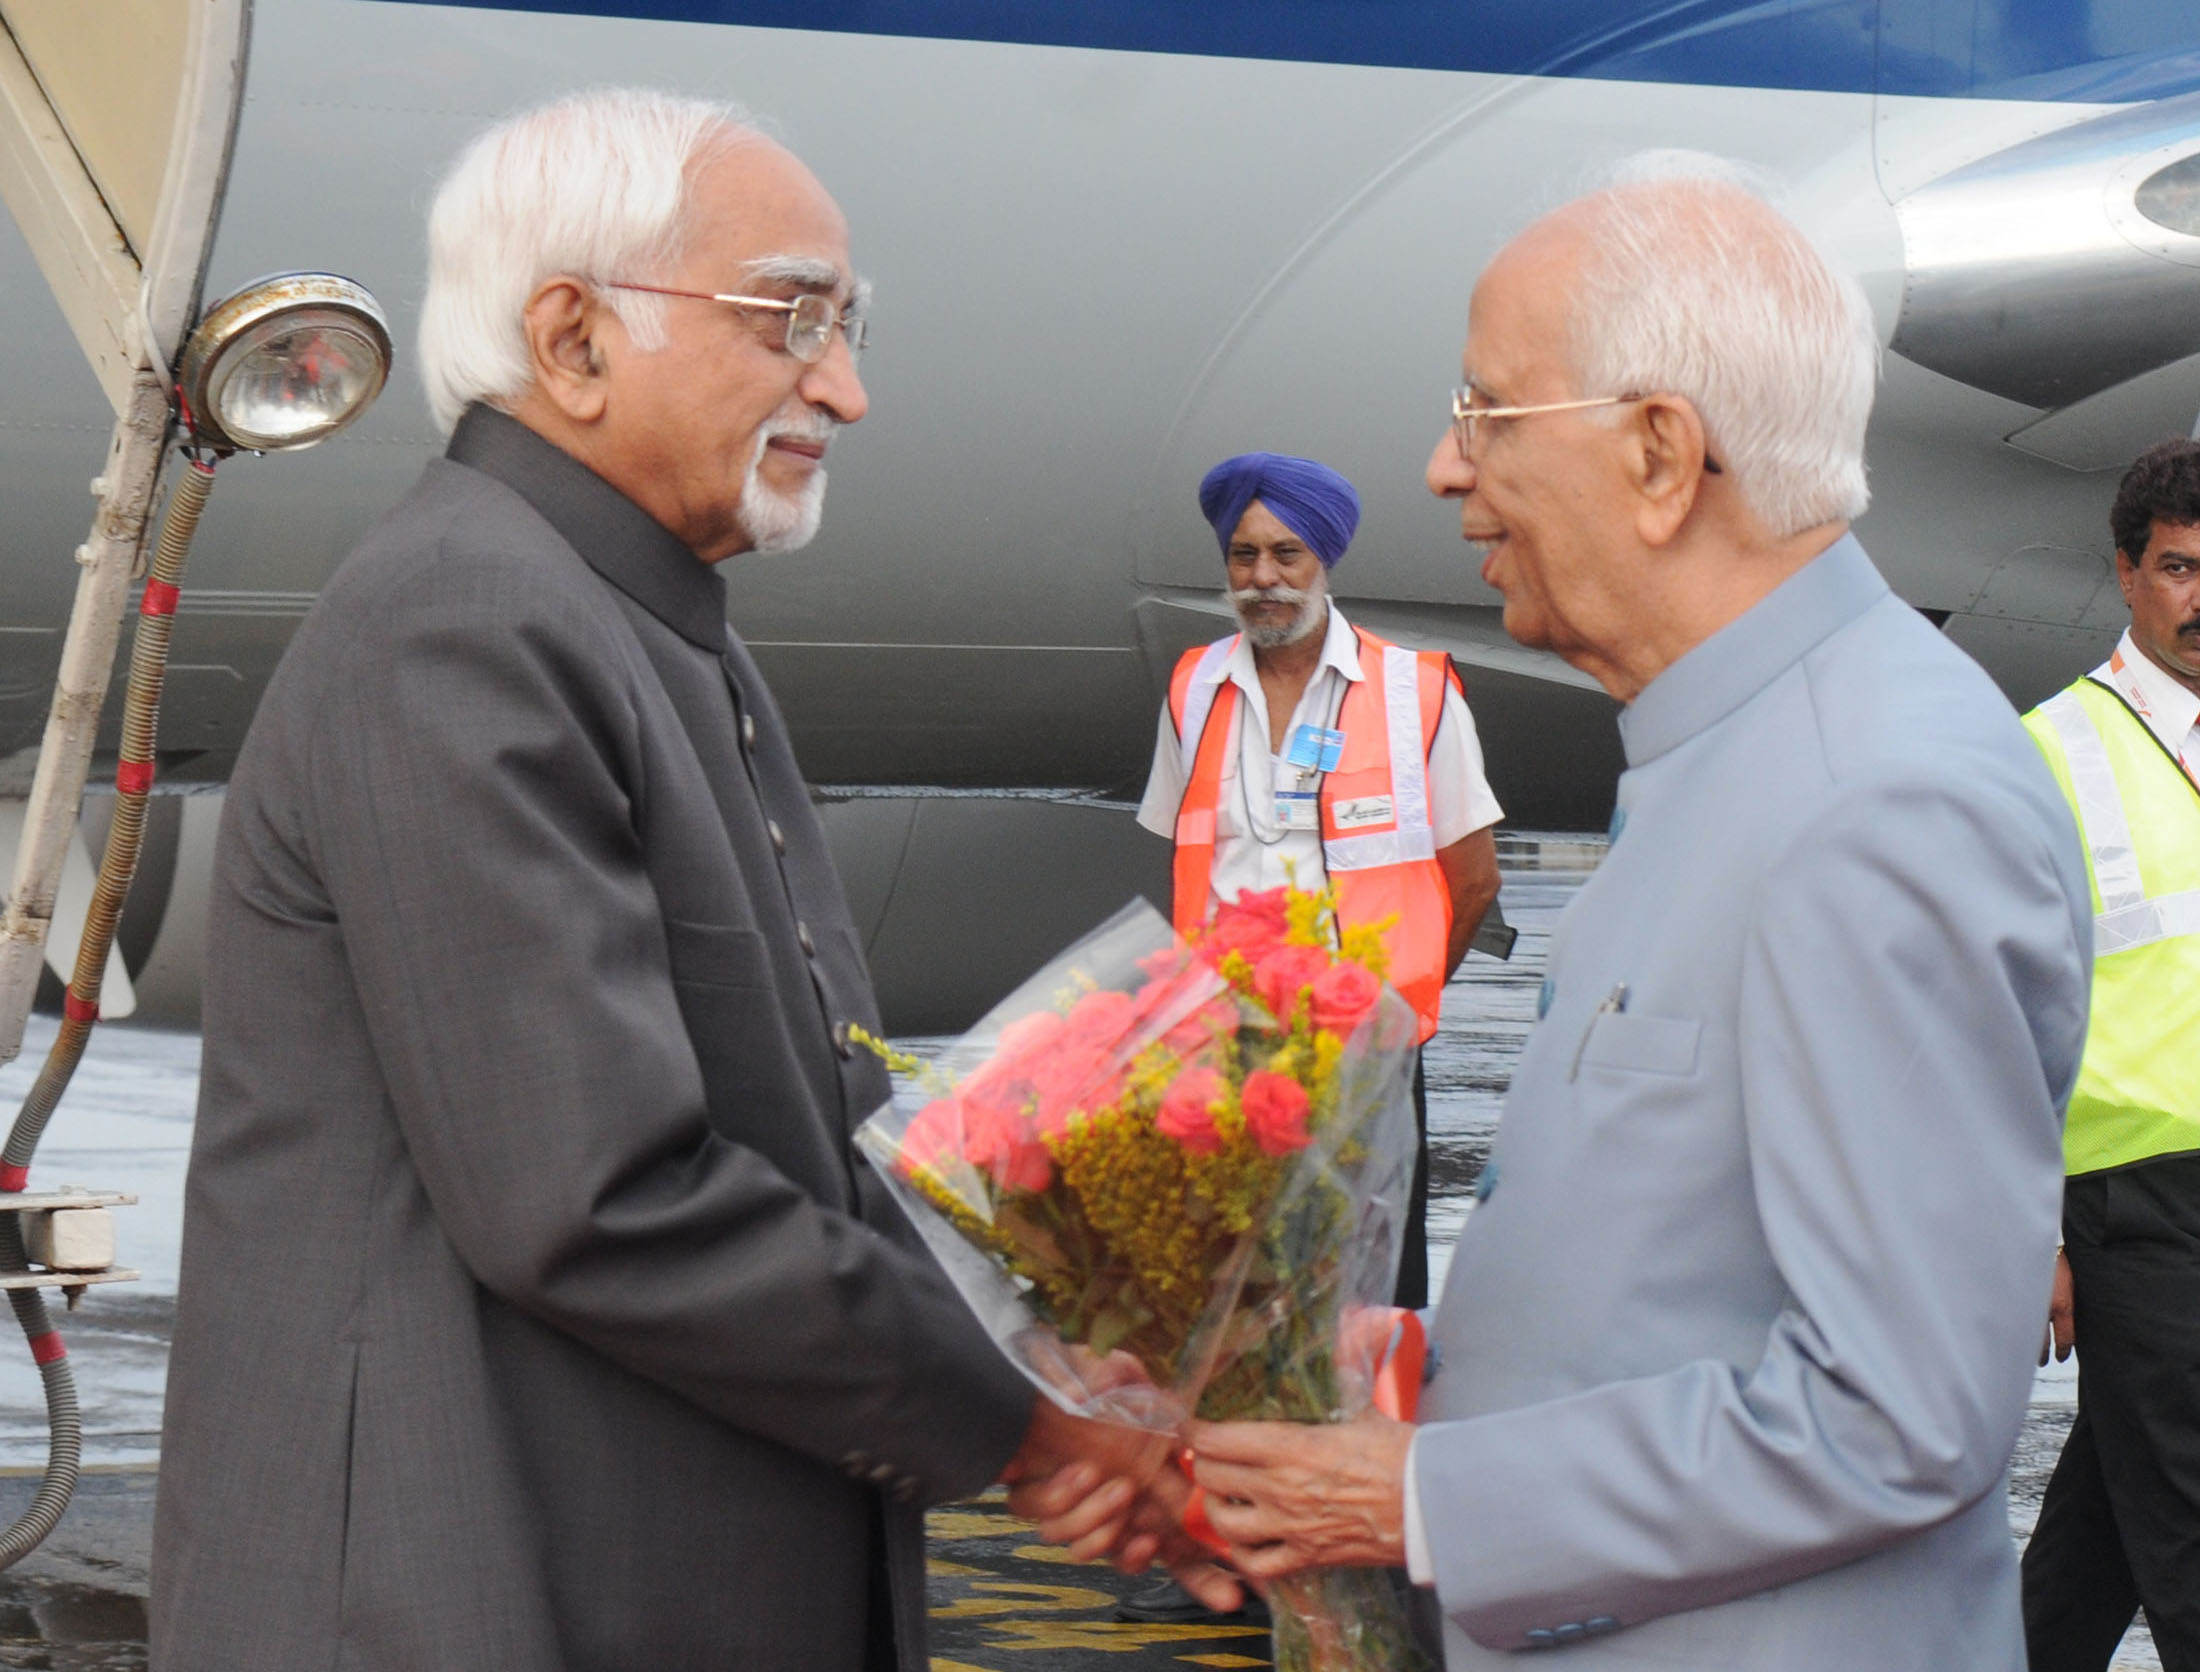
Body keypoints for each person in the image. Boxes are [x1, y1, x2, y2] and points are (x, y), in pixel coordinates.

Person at [148, 88, 1213, 1672]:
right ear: (572, 338)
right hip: (480, 1600)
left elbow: (791, 1146)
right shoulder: (471, 624)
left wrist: (1045, 1345)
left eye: (850, 325)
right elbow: (597, 1197)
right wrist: (1025, 1431)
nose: (844, 389)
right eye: (791, 318)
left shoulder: (621, 620)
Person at [1030, 156, 2093, 1668]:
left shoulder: (1876, 799)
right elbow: (1690, 1280)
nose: (1442, 470)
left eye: (1485, 414)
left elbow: (1896, 1415)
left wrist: (1426, 1496)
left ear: (1662, 453)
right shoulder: (1727, 754)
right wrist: (1377, 1384)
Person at [1137, 451, 1504, 1312]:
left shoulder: (1418, 692)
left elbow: (1475, 881)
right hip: (1228, 1051)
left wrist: (1389, 1012)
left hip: (1363, 1056)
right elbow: (1182, 858)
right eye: (1243, 555)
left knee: (1366, 1293)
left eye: (1286, 554)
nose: (1264, 578)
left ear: (1325, 561)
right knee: (1234, 1296)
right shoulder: (1193, 687)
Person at [2020, 437, 2200, 1672]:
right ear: (2127, 576)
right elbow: (1994, 1013)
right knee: (2188, 1522)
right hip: (2132, 1199)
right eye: (2182, 569)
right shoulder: (2049, 751)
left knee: (2107, 1519)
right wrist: (2029, 1225)